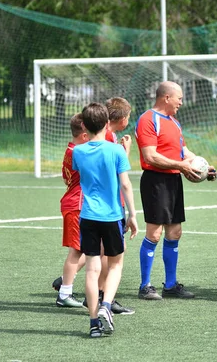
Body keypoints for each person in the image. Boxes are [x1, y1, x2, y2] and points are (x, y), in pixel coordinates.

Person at [135, 81, 216, 300]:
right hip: (155, 181)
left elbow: (183, 151)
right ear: (166, 98)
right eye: (179, 97)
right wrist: (181, 166)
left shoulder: (174, 122)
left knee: (175, 232)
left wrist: (203, 167)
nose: (181, 101)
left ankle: (170, 285)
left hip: (172, 181)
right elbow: (150, 156)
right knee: (154, 233)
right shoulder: (147, 119)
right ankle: (145, 286)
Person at [53, 97, 135, 315]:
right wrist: (124, 152)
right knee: (92, 254)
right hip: (92, 207)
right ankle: (87, 296)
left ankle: (92, 304)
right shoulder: (99, 145)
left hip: (87, 208)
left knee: (92, 255)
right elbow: (119, 177)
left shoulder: (77, 151)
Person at [72, 102, 138, 337]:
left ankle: (93, 323)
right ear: (108, 123)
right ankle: (106, 306)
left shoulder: (77, 151)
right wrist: (133, 214)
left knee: (92, 270)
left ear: (84, 126)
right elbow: (126, 184)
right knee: (116, 264)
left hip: (88, 216)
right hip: (112, 217)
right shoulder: (116, 150)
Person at [54, 113, 88, 308]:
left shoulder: (71, 149)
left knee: (87, 248)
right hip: (76, 205)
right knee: (76, 251)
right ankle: (64, 293)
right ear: (84, 135)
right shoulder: (78, 153)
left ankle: (65, 280)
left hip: (77, 204)